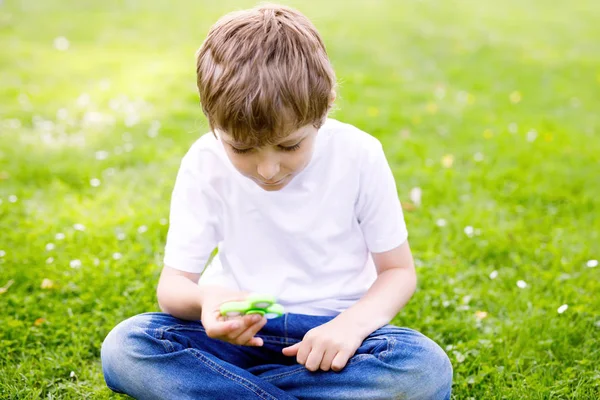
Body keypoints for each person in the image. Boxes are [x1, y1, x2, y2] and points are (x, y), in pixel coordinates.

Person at [101, 3, 453, 399]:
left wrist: (351, 326)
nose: (267, 169)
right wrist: (206, 301)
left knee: (423, 368)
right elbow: (174, 286)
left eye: (290, 145)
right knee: (126, 346)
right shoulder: (204, 161)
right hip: (236, 337)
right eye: (242, 149)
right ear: (214, 124)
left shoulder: (359, 155)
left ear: (322, 112)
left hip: (334, 340)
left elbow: (398, 272)